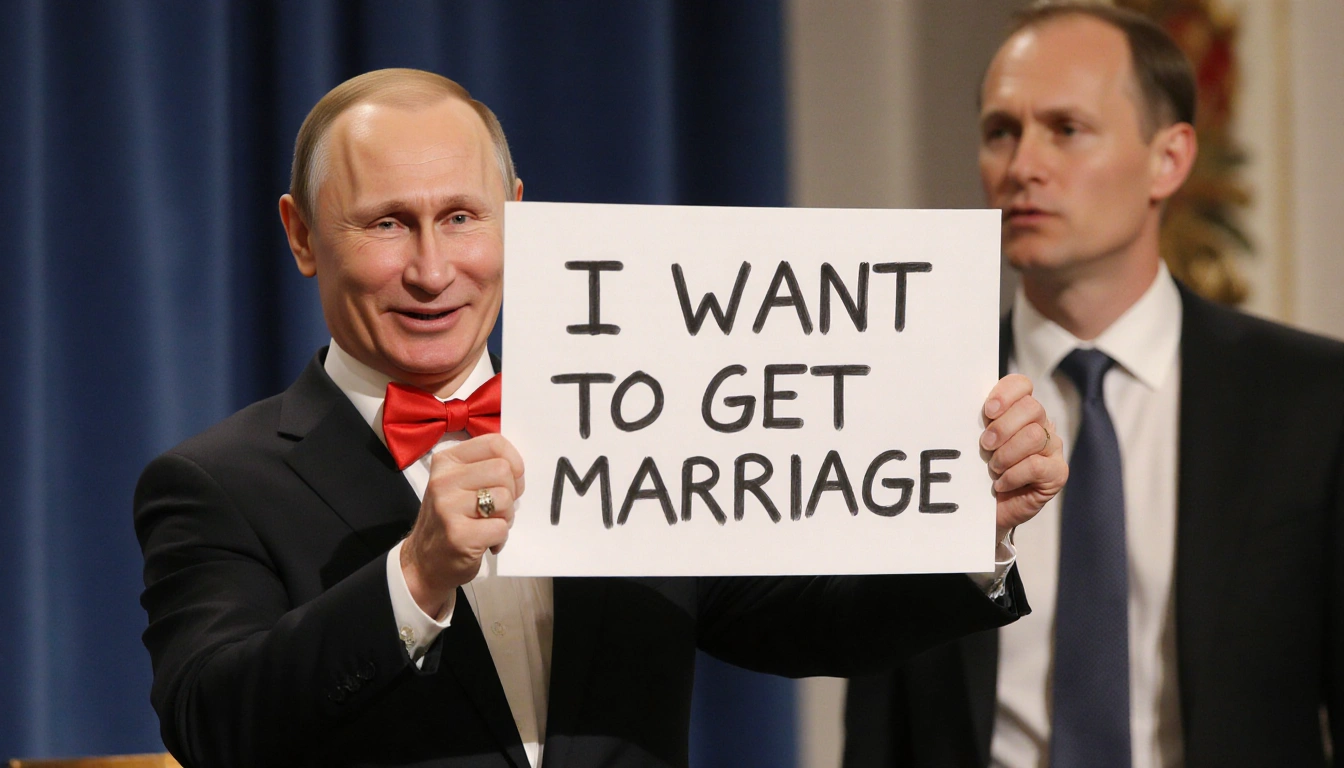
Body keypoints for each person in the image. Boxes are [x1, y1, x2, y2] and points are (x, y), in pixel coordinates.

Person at [135, 68, 1067, 768]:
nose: (430, 269)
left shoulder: (631, 414)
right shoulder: (219, 483)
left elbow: (802, 620)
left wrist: (960, 523)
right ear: (302, 234)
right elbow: (212, 720)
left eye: (462, 217)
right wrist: (413, 578)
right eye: (386, 224)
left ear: (518, 219)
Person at [843, 4, 1344, 767]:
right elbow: (880, 715)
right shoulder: (911, 399)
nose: (1022, 166)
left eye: (1066, 129)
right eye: (1000, 131)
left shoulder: (1314, 400)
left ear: (1168, 159)